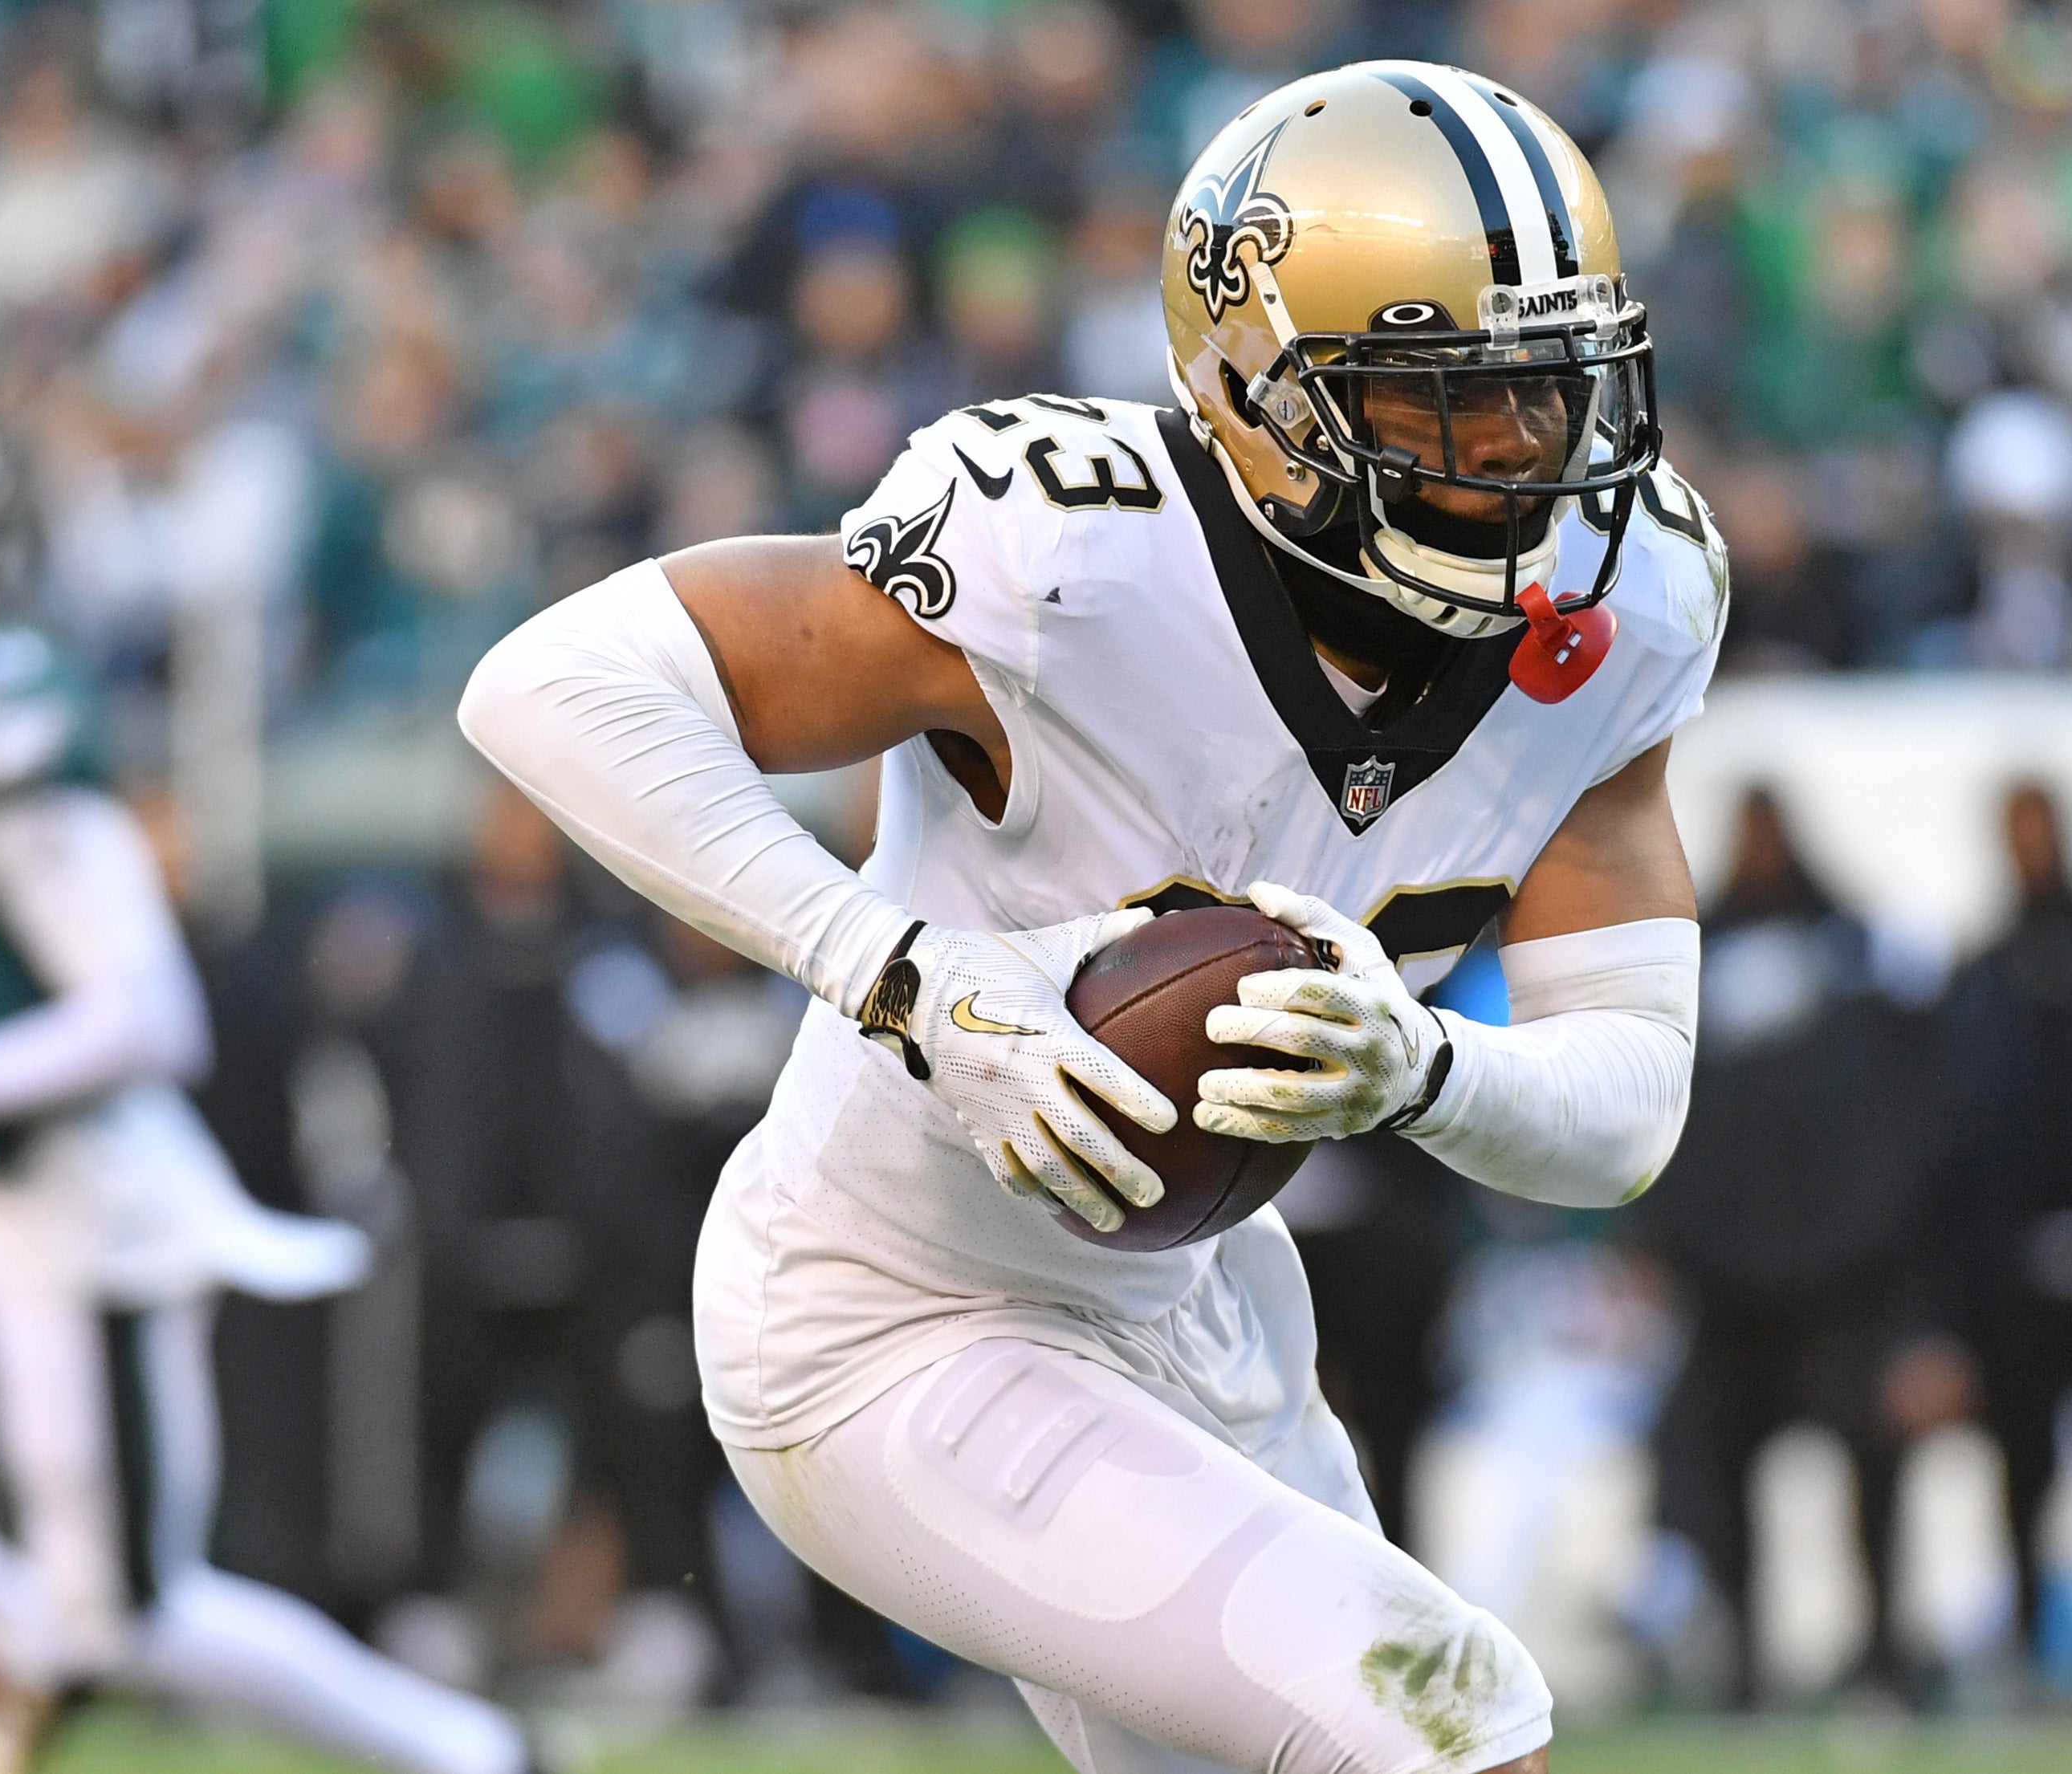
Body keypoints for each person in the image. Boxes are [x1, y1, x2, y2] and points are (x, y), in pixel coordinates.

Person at [465, 62, 1722, 1774]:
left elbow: (1630, 1108)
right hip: (890, 1310)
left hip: (1196, 1305)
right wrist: (901, 975)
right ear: (1259, 395)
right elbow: (550, 681)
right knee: (1446, 1706)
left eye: (1548, 389)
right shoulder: (1068, 552)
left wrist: (1419, 1066)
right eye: (1443, 403)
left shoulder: (1624, 608)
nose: (1523, 453)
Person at [0, 364, 534, 1774]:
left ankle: (470, 1752)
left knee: (130, 1614)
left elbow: (145, 1021)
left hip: (78, 1205)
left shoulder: (2, 728)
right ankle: (22, 1636)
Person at [1634, 787, 1944, 1703]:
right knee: (1716, 1470)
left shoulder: (1856, 956)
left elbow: (1905, 1113)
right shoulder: (1695, 958)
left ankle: (1884, 1651)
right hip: (1728, 1277)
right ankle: (1742, 1663)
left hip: (1844, 1275)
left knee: (1874, 1472)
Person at [1932, 783, 2072, 1674]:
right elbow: (1963, 1133)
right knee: (2022, 1459)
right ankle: (2031, 1637)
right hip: (2011, 1267)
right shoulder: (1985, 970)